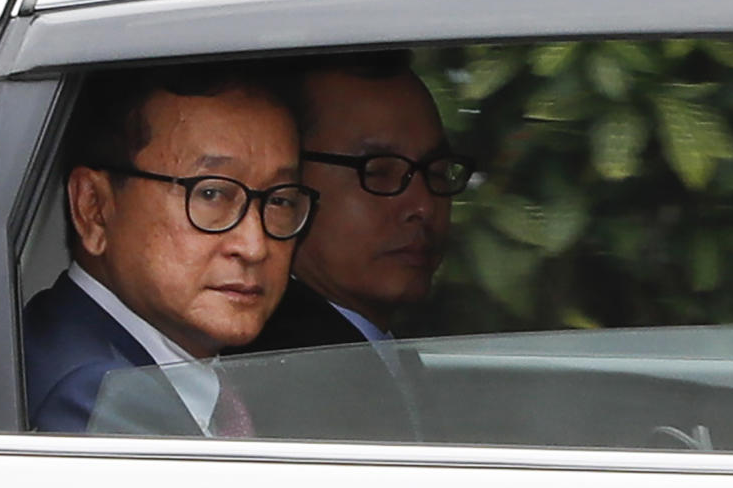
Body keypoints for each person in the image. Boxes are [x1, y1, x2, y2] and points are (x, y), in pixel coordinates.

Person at [24, 63, 317, 434]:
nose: (254, 246)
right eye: (210, 194)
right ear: (94, 208)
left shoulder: (77, 344)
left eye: (281, 201)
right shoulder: (96, 397)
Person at [228, 51, 474, 354]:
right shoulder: (291, 366)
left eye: (437, 172)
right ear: (286, 185)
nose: (423, 206)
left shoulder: (363, 352)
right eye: (379, 172)